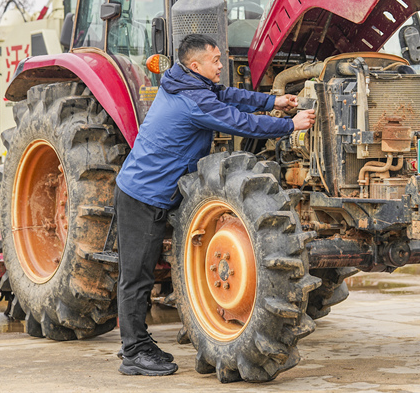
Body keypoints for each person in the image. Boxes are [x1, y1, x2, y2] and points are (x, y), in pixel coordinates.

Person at [114, 34, 315, 376]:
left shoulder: (190, 85)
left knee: (171, 261)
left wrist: (273, 101)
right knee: (136, 276)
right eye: (216, 60)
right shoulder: (193, 101)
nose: (221, 65)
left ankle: (174, 329)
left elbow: (231, 96)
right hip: (143, 196)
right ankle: (133, 350)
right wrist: (288, 125)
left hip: (161, 191)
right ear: (196, 66)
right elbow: (239, 121)